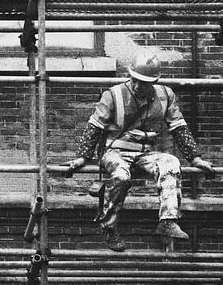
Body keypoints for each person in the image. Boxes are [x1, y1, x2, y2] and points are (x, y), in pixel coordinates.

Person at [64, 53, 215, 252]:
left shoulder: (165, 95)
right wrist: (82, 158)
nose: (136, 86)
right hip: (115, 152)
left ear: (153, 81)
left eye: (143, 82)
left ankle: (168, 221)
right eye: (134, 80)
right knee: (121, 176)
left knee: (170, 162)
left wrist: (196, 159)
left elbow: (179, 127)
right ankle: (108, 226)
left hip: (145, 153)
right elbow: (94, 127)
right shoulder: (113, 95)